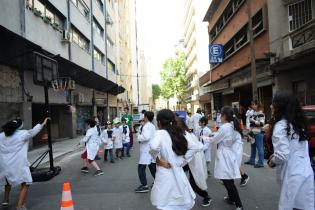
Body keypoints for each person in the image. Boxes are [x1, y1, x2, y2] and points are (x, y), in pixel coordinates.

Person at [268, 92, 314, 210]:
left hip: (291, 174)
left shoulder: (281, 126)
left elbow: (282, 155)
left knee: (291, 205)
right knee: (303, 206)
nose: (271, 106)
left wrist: (273, 160)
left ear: (280, 106)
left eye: (273, 104)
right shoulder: (299, 124)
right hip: (306, 172)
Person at [150, 109, 197, 210]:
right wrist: (182, 161)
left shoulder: (160, 133)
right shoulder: (178, 132)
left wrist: (157, 160)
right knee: (180, 201)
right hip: (178, 172)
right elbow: (195, 147)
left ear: (159, 122)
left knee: (166, 203)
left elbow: (153, 147)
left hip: (165, 172)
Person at [0, 118, 49, 210]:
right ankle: (20, 206)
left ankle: (5, 201)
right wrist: (43, 123)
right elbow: (34, 131)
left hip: (4, 165)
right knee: (26, 182)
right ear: (19, 126)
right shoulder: (22, 134)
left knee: (7, 182)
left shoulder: (1, 136)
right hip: (18, 164)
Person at [206, 106, 244, 210]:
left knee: (228, 180)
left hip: (225, 155)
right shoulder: (232, 126)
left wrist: (205, 138)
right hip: (229, 154)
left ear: (224, 116)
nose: (219, 118)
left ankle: (239, 205)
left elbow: (215, 140)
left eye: (220, 116)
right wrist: (213, 134)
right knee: (226, 178)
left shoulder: (225, 127)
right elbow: (220, 135)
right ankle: (232, 198)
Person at [176, 117, 212, 207]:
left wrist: (184, 157)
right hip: (190, 159)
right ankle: (183, 196)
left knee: (194, 182)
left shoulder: (184, 135)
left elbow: (194, 148)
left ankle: (206, 196)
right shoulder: (184, 133)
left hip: (193, 158)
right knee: (177, 175)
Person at [135, 111, 156, 193]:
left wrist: (138, 136)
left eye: (144, 116)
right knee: (152, 167)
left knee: (141, 168)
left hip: (146, 150)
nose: (143, 117)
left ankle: (144, 185)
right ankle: (158, 182)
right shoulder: (151, 125)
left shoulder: (147, 126)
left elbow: (146, 137)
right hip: (150, 149)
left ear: (146, 117)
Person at [244, 100, 265, 168]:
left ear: (257, 105)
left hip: (258, 133)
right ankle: (252, 160)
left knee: (260, 148)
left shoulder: (261, 113)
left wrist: (253, 120)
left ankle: (261, 162)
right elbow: (251, 124)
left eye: (253, 104)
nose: (252, 106)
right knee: (252, 147)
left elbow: (262, 124)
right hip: (252, 132)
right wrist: (249, 132)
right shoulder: (254, 113)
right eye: (252, 104)